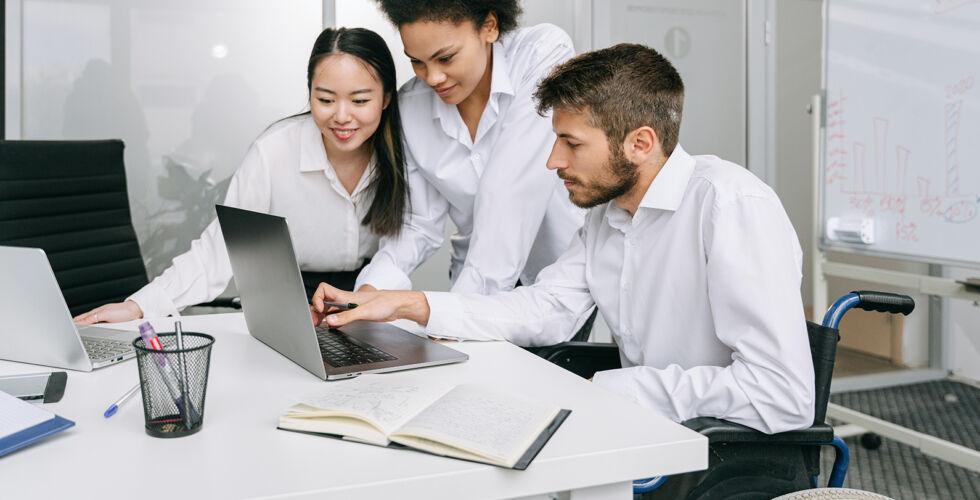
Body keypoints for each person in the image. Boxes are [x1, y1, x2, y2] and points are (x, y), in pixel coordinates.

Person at [311, 44, 816, 438]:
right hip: (641, 428)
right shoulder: (607, 217)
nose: (553, 161)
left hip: (707, 452)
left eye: (571, 143)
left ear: (640, 143)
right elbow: (547, 308)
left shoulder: (730, 206)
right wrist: (406, 304)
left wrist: (614, 387)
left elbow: (781, 394)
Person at [74, 27, 408, 325]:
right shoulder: (273, 152)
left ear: (386, 99)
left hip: (372, 300)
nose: (342, 116)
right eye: (325, 99)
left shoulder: (405, 154)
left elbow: (410, 242)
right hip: (289, 305)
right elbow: (219, 249)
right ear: (309, 93)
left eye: (359, 100)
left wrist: (374, 298)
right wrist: (139, 306)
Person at [353, 0, 585, 300]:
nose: (433, 77)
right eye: (417, 62)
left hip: (558, 277)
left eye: (446, 58)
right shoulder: (411, 107)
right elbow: (418, 224)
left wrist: (461, 309)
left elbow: (511, 189)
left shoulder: (541, 53)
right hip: (470, 276)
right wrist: (370, 289)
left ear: (489, 26)